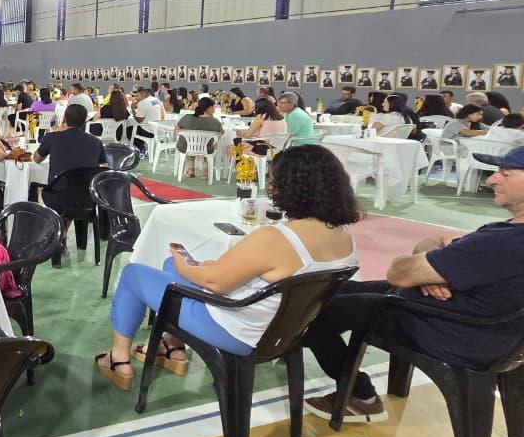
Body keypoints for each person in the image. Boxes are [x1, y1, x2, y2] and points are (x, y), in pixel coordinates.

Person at [96, 145, 360, 390]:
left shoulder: (276, 238)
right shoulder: (344, 238)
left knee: (135, 274)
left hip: (236, 328)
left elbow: (215, 283)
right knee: (169, 267)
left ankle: (119, 360)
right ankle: (172, 347)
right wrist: (199, 268)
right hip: (284, 329)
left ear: (291, 187)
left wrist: (185, 263)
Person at [303, 146, 524, 422]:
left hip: (449, 329)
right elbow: (435, 245)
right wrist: (434, 267)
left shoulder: (503, 242)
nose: (492, 180)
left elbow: (399, 272)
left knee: (313, 309)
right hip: (491, 330)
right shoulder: (505, 235)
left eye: (505, 174)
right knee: (335, 289)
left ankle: (361, 395)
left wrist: (427, 267)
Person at [34, 104, 104, 184]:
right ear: (85, 121)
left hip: (57, 193)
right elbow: (103, 167)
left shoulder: (51, 138)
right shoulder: (96, 142)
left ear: (65, 119)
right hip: (86, 193)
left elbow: (36, 159)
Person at [173, 97, 224, 178]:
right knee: (213, 144)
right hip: (206, 149)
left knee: (189, 143)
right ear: (209, 108)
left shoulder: (186, 117)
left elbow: (176, 129)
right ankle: (204, 173)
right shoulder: (215, 122)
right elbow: (221, 133)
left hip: (185, 147)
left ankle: (190, 171)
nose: (214, 109)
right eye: (213, 107)